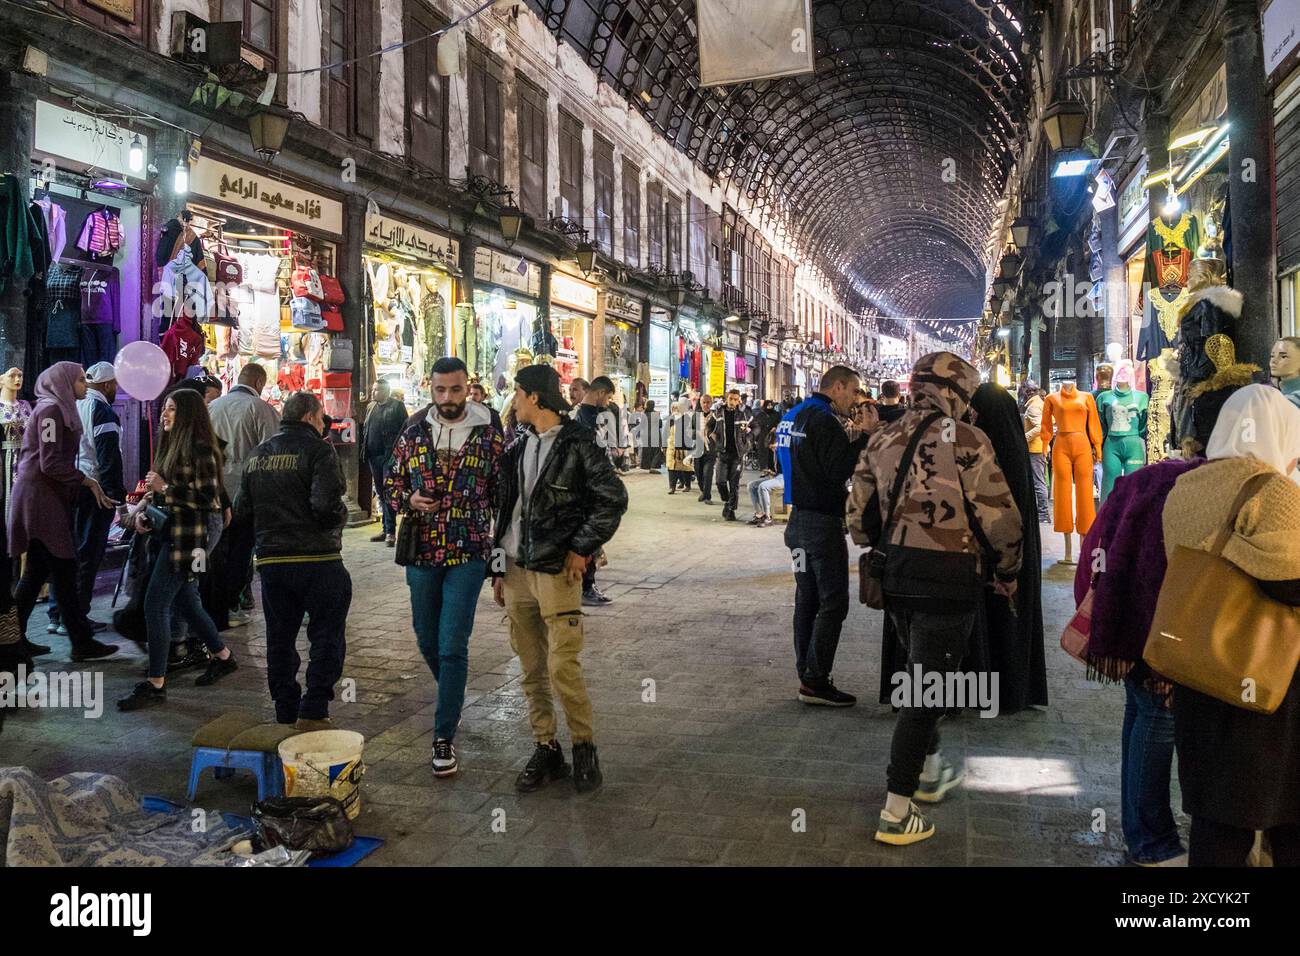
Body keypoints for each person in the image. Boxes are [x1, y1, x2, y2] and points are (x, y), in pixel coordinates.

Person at [847, 352, 1022, 846]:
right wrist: (1009, 569)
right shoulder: (967, 439)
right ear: (956, 393)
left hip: (896, 579)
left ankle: (928, 768)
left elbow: (857, 517)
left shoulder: (882, 436)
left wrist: (885, 542)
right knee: (927, 693)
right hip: (948, 580)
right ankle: (896, 811)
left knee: (923, 675)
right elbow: (1000, 518)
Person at [1160, 384, 1300, 866]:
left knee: (1215, 821)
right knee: (1283, 812)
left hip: (1200, 664)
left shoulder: (1186, 484)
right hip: (1264, 678)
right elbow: (1291, 583)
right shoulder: (1276, 491)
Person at [492, 365, 628, 794]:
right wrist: (497, 568)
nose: (513, 400)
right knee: (531, 666)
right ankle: (546, 746)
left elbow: (612, 500)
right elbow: (504, 513)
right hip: (516, 569)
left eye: (517, 392)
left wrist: (583, 547)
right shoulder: (517, 446)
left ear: (534, 397)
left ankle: (584, 747)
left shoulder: (579, 444)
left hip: (556, 569)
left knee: (561, 665)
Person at [387, 358, 504, 777]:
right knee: (425, 636)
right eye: (441, 391)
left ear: (466, 386)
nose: (448, 399)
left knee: (452, 643)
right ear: (431, 389)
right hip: (421, 551)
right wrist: (408, 501)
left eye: (455, 390)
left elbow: (503, 500)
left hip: (469, 552)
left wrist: (501, 563)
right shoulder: (414, 431)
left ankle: (443, 736)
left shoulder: (489, 435)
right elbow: (392, 481)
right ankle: (452, 696)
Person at [237, 392, 350, 729]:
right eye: (320, 418)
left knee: (280, 638)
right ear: (308, 417)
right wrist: (340, 516)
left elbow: (243, 512)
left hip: (273, 563)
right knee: (326, 634)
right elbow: (326, 507)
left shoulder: (258, 455)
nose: (323, 425)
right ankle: (314, 707)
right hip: (318, 559)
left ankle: (285, 709)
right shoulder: (318, 450)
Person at [117, 389, 236, 710]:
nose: (165, 414)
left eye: (172, 409)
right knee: (185, 601)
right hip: (171, 529)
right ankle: (223, 656)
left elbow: (206, 499)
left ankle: (156, 683)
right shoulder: (171, 446)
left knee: (156, 604)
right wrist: (143, 512)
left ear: (187, 415)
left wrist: (165, 489)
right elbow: (160, 495)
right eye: (164, 408)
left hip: (192, 536)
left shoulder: (203, 450)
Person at [776, 365, 875, 705]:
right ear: (837, 387)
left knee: (806, 597)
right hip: (821, 525)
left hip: (798, 524)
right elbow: (837, 470)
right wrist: (863, 435)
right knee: (833, 602)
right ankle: (816, 681)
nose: (855, 399)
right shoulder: (825, 420)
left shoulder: (793, 415)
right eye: (853, 391)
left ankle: (807, 672)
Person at [8, 363, 118, 662]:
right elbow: (50, 463)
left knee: (39, 573)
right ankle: (78, 641)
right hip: (41, 499)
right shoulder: (51, 411)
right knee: (62, 568)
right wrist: (86, 480)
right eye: (81, 380)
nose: (86, 384)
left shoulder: (57, 409)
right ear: (64, 383)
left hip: (48, 496)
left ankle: (15, 640)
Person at [964, 383, 1047, 714]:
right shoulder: (1015, 454)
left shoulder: (988, 458)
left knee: (993, 623)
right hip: (1017, 561)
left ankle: (989, 691)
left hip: (998, 560)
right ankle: (1015, 689)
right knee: (1013, 622)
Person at [46, 361, 126, 635]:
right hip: (93, 491)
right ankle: (76, 616)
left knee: (65, 552)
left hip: (67, 488)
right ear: (106, 385)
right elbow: (108, 459)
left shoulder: (66, 408)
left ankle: (57, 615)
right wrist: (117, 499)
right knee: (87, 555)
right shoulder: (101, 410)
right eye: (114, 384)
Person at [207, 363, 279, 624]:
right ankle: (228, 605)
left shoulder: (213, 407)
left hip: (214, 490)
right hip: (245, 492)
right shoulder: (261, 409)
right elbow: (271, 454)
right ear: (259, 383)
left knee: (216, 550)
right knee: (240, 550)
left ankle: (213, 605)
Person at [362, 380, 409, 546]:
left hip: (389, 456)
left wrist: (398, 454)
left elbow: (405, 430)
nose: (373, 392)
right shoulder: (370, 407)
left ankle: (390, 532)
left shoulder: (397, 407)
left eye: (377, 390)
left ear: (385, 391)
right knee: (381, 493)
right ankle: (385, 528)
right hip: (373, 456)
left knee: (389, 493)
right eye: (373, 389)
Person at [710, 389, 753, 521]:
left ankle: (730, 510)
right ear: (726, 399)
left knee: (734, 484)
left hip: (737, 454)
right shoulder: (718, 412)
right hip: (722, 453)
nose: (733, 402)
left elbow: (756, 427)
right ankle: (728, 502)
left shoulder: (745, 414)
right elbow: (709, 426)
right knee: (720, 481)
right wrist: (710, 434)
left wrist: (749, 438)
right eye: (730, 399)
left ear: (738, 400)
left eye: (735, 399)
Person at [1022, 382, 1051, 524]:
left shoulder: (1033, 406)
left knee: (1038, 482)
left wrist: (1024, 438)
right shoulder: (1040, 403)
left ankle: (1044, 514)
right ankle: (1043, 513)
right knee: (1040, 480)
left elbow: (1040, 427)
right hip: (1041, 447)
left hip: (1035, 448)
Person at [746, 431, 783, 526]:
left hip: (785, 478)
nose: (773, 449)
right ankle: (759, 514)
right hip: (777, 476)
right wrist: (770, 472)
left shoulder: (784, 451)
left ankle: (768, 517)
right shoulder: (773, 452)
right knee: (752, 485)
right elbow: (776, 469)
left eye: (774, 447)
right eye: (771, 448)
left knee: (763, 486)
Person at [666, 398, 696, 494]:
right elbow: (665, 432)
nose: (675, 409)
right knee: (671, 467)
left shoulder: (688, 418)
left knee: (686, 467)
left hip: (685, 446)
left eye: (677, 407)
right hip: (672, 446)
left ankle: (687, 484)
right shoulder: (671, 418)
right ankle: (672, 487)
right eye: (673, 408)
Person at [693, 393, 717, 502]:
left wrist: (711, 434)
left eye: (708, 402)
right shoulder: (696, 415)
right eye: (704, 402)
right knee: (699, 473)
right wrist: (697, 433)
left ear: (711, 403)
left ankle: (707, 496)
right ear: (700, 403)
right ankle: (703, 491)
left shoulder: (716, 416)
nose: (706, 404)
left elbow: (720, 431)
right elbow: (689, 430)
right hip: (698, 448)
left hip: (710, 450)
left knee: (708, 473)